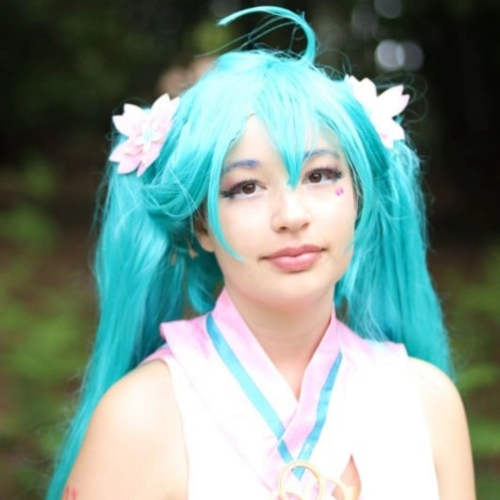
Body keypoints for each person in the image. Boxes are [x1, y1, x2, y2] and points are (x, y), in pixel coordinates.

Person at [47, 6, 475, 500]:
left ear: (359, 200)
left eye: (320, 175)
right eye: (246, 186)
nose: (291, 215)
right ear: (201, 224)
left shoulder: (428, 403)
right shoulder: (139, 419)